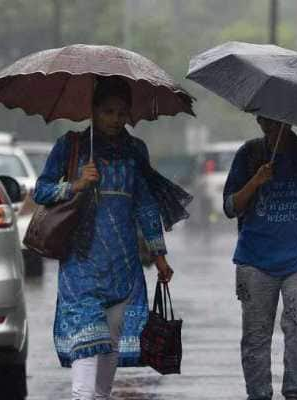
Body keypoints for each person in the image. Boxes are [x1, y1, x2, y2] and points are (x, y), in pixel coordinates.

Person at [34, 76, 191, 400]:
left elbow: (146, 207)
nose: (115, 119)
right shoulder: (71, 146)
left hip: (124, 269)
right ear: (93, 111)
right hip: (81, 267)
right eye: (108, 111)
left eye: (121, 113)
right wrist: (75, 185)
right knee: (87, 343)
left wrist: (160, 257)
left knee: (111, 346)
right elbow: (41, 190)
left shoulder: (136, 151)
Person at [223, 115, 297, 400]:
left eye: (279, 122)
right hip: (255, 260)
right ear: (259, 120)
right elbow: (230, 207)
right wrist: (256, 181)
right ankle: (258, 395)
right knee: (255, 338)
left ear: (290, 120)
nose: (272, 127)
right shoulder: (249, 154)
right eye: (266, 122)